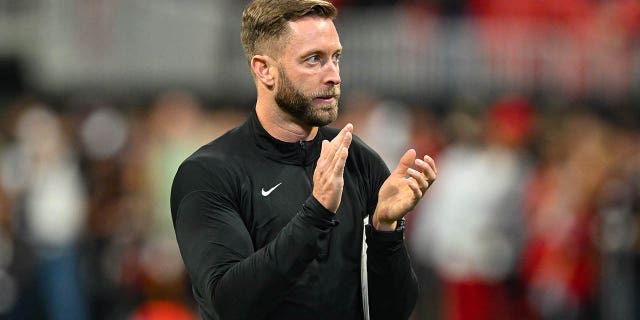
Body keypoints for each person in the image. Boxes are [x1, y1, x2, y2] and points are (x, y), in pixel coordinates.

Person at [170, 0, 437, 319]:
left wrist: (385, 231)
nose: (334, 76)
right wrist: (317, 213)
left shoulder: (357, 160)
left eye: (335, 58)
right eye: (314, 60)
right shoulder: (209, 174)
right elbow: (230, 304)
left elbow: (393, 311)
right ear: (264, 69)